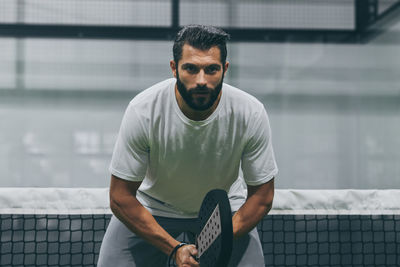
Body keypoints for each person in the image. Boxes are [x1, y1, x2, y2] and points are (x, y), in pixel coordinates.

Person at [97, 25, 278, 267]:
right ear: (174, 68)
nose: (201, 80)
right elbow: (120, 196)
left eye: (211, 69)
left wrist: (215, 241)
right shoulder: (143, 110)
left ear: (224, 69)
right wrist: (175, 249)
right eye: (191, 69)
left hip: (224, 214)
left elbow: (263, 196)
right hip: (152, 207)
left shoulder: (250, 113)